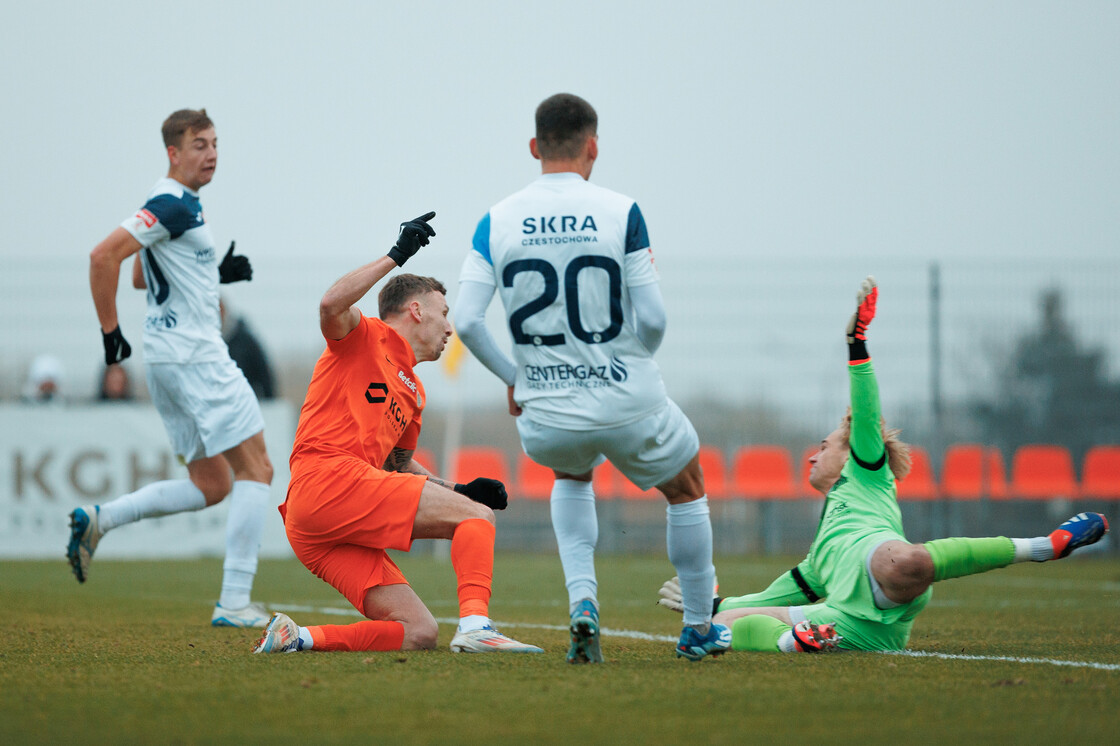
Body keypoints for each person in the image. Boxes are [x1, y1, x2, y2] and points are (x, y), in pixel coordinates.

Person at [657, 276, 1110, 653]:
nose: (813, 455)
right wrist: (711, 605)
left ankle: (1047, 544)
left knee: (902, 561)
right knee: (734, 623)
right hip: (850, 629)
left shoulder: (867, 477)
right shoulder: (820, 557)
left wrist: (857, 344)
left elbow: (866, 413)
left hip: (889, 584)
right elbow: (772, 596)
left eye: (825, 445)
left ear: (852, 451)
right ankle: (794, 643)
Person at [454, 93, 729, 663]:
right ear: (593, 145)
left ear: (534, 147)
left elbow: (465, 320)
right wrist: (632, 358)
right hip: (627, 395)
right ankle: (700, 628)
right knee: (686, 488)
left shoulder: (495, 220)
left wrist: (515, 376)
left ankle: (583, 604)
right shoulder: (621, 210)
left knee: (572, 474)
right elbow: (652, 318)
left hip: (547, 407)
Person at [253, 212, 542, 656]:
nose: (450, 328)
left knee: (418, 632)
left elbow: (400, 467)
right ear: (416, 309)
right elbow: (330, 305)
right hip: (327, 481)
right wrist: (396, 255)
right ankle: (478, 626)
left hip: (316, 520)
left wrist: (460, 487)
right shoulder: (363, 335)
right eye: (444, 314)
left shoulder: (414, 391)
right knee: (476, 519)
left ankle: (298, 638)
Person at [70, 108, 275, 629]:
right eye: (199, 145)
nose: (210, 154)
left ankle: (102, 519)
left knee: (212, 483)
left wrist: (214, 272)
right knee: (258, 469)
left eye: (214, 144)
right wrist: (110, 334)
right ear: (173, 153)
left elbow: (142, 274)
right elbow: (102, 258)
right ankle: (233, 601)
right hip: (197, 357)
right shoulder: (172, 202)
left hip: (168, 361)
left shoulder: (174, 207)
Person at [221, 295, 276, 400]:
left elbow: (264, 374)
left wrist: (270, 401)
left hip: (244, 401)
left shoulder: (245, 341)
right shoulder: (203, 342)